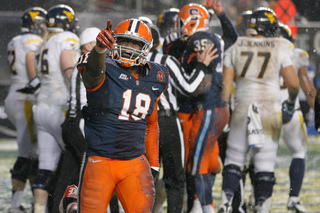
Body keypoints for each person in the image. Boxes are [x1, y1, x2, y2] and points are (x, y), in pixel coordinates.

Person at [77, 18, 169, 213]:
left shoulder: (157, 76)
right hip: (100, 160)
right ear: (114, 42)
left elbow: (151, 123)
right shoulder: (103, 67)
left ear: (147, 48)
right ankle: (70, 206)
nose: (128, 48)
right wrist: (99, 49)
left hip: (135, 162)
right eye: (124, 42)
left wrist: (153, 164)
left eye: (135, 43)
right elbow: (92, 75)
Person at [219, 7, 300, 213]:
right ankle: (262, 206)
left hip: (243, 105)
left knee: (234, 159)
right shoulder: (279, 45)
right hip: (268, 108)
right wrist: (290, 102)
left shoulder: (236, 45)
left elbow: (226, 86)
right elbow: (293, 83)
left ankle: (226, 201)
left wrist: (224, 111)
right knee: (264, 163)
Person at [138, 17, 219, 213]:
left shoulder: (125, 63)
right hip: (166, 122)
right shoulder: (165, 61)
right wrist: (202, 66)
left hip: (139, 125)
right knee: (175, 179)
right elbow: (189, 87)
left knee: (143, 179)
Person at [32, 4, 80, 213]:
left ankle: (40, 208)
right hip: (60, 108)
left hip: (41, 108)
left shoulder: (43, 43)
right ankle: (68, 204)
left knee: (46, 165)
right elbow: (70, 70)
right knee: (75, 160)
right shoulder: (66, 39)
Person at [49, 27, 101, 213]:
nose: (102, 47)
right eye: (97, 43)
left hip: (72, 122)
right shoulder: (88, 62)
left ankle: (57, 207)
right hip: (80, 121)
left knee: (68, 171)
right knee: (97, 168)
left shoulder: (83, 61)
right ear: (88, 45)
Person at [5, 7, 47, 213]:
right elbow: (31, 57)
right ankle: (15, 206)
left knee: (33, 153)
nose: (45, 27)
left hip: (16, 93)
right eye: (43, 23)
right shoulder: (32, 41)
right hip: (25, 96)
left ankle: (31, 202)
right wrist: (36, 83)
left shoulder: (16, 40)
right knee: (27, 153)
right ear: (36, 24)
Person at [278, 22, 315, 212]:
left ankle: (258, 198)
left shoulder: (260, 50)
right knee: (299, 152)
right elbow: (305, 85)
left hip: (264, 111)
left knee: (257, 159)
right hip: (291, 110)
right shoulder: (296, 53)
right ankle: (293, 198)